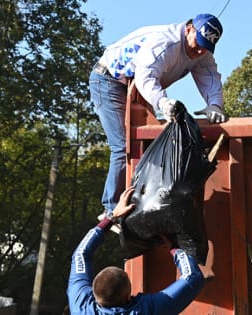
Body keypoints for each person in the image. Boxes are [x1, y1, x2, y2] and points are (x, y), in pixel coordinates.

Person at [89, 13, 225, 216]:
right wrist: (162, 102)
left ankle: (143, 203)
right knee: (123, 146)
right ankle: (111, 208)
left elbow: (210, 75)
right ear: (189, 29)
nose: (200, 51)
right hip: (109, 81)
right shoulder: (165, 42)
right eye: (198, 44)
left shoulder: (201, 51)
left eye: (206, 47)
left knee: (149, 144)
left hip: (135, 89)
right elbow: (146, 75)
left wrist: (215, 105)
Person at [67, 186, 212, 315]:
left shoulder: (81, 306)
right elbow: (81, 254)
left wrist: (175, 247)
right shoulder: (80, 304)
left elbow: (193, 278)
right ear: (127, 296)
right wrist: (111, 217)